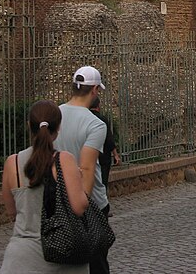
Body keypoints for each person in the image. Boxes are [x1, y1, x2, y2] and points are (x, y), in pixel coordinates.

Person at [0, 100, 89, 274]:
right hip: (63, 256)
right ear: (58, 128)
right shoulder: (64, 160)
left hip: (22, 258)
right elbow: (79, 207)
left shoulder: (13, 162)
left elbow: (11, 211)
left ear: (29, 126)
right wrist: (80, 179)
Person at [55, 66, 111, 274]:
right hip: (89, 203)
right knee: (97, 265)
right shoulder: (95, 124)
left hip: (59, 198)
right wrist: (82, 207)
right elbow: (87, 168)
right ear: (95, 89)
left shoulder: (55, 114)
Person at [90, 96, 121, 186]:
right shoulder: (102, 119)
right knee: (103, 180)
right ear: (98, 106)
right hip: (103, 154)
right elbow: (109, 139)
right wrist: (115, 155)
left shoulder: (85, 118)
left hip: (88, 154)